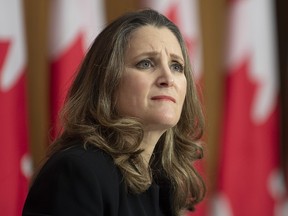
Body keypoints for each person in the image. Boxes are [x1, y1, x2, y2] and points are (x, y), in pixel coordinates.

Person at [22, 9, 205, 216]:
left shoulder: (166, 186)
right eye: (146, 63)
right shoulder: (77, 172)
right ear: (107, 81)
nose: (168, 78)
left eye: (176, 66)